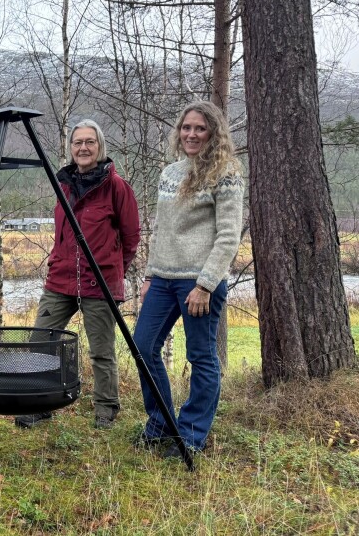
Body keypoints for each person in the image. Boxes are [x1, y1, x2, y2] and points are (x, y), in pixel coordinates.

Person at [134, 100, 245, 458]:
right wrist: (150, 274)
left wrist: (205, 285)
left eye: (199, 128)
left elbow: (229, 235)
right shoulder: (170, 173)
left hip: (199, 284)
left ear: (213, 133)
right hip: (163, 280)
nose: (191, 134)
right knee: (143, 346)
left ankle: (191, 436)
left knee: (201, 357)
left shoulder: (225, 172)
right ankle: (160, 423)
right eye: (186, 128)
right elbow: (162, 230)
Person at [15, 119, 140, 430]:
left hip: (100, 282)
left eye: (90, 142)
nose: (83, 148)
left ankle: (105, 411)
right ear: (71, 149)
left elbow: (131, 238)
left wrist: (111, 267)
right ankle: (40, 404)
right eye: (78, 143)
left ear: (99, 147)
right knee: (41, 342)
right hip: (61, 279)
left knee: (101, 350)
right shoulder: (64, 185)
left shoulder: (117, 188)